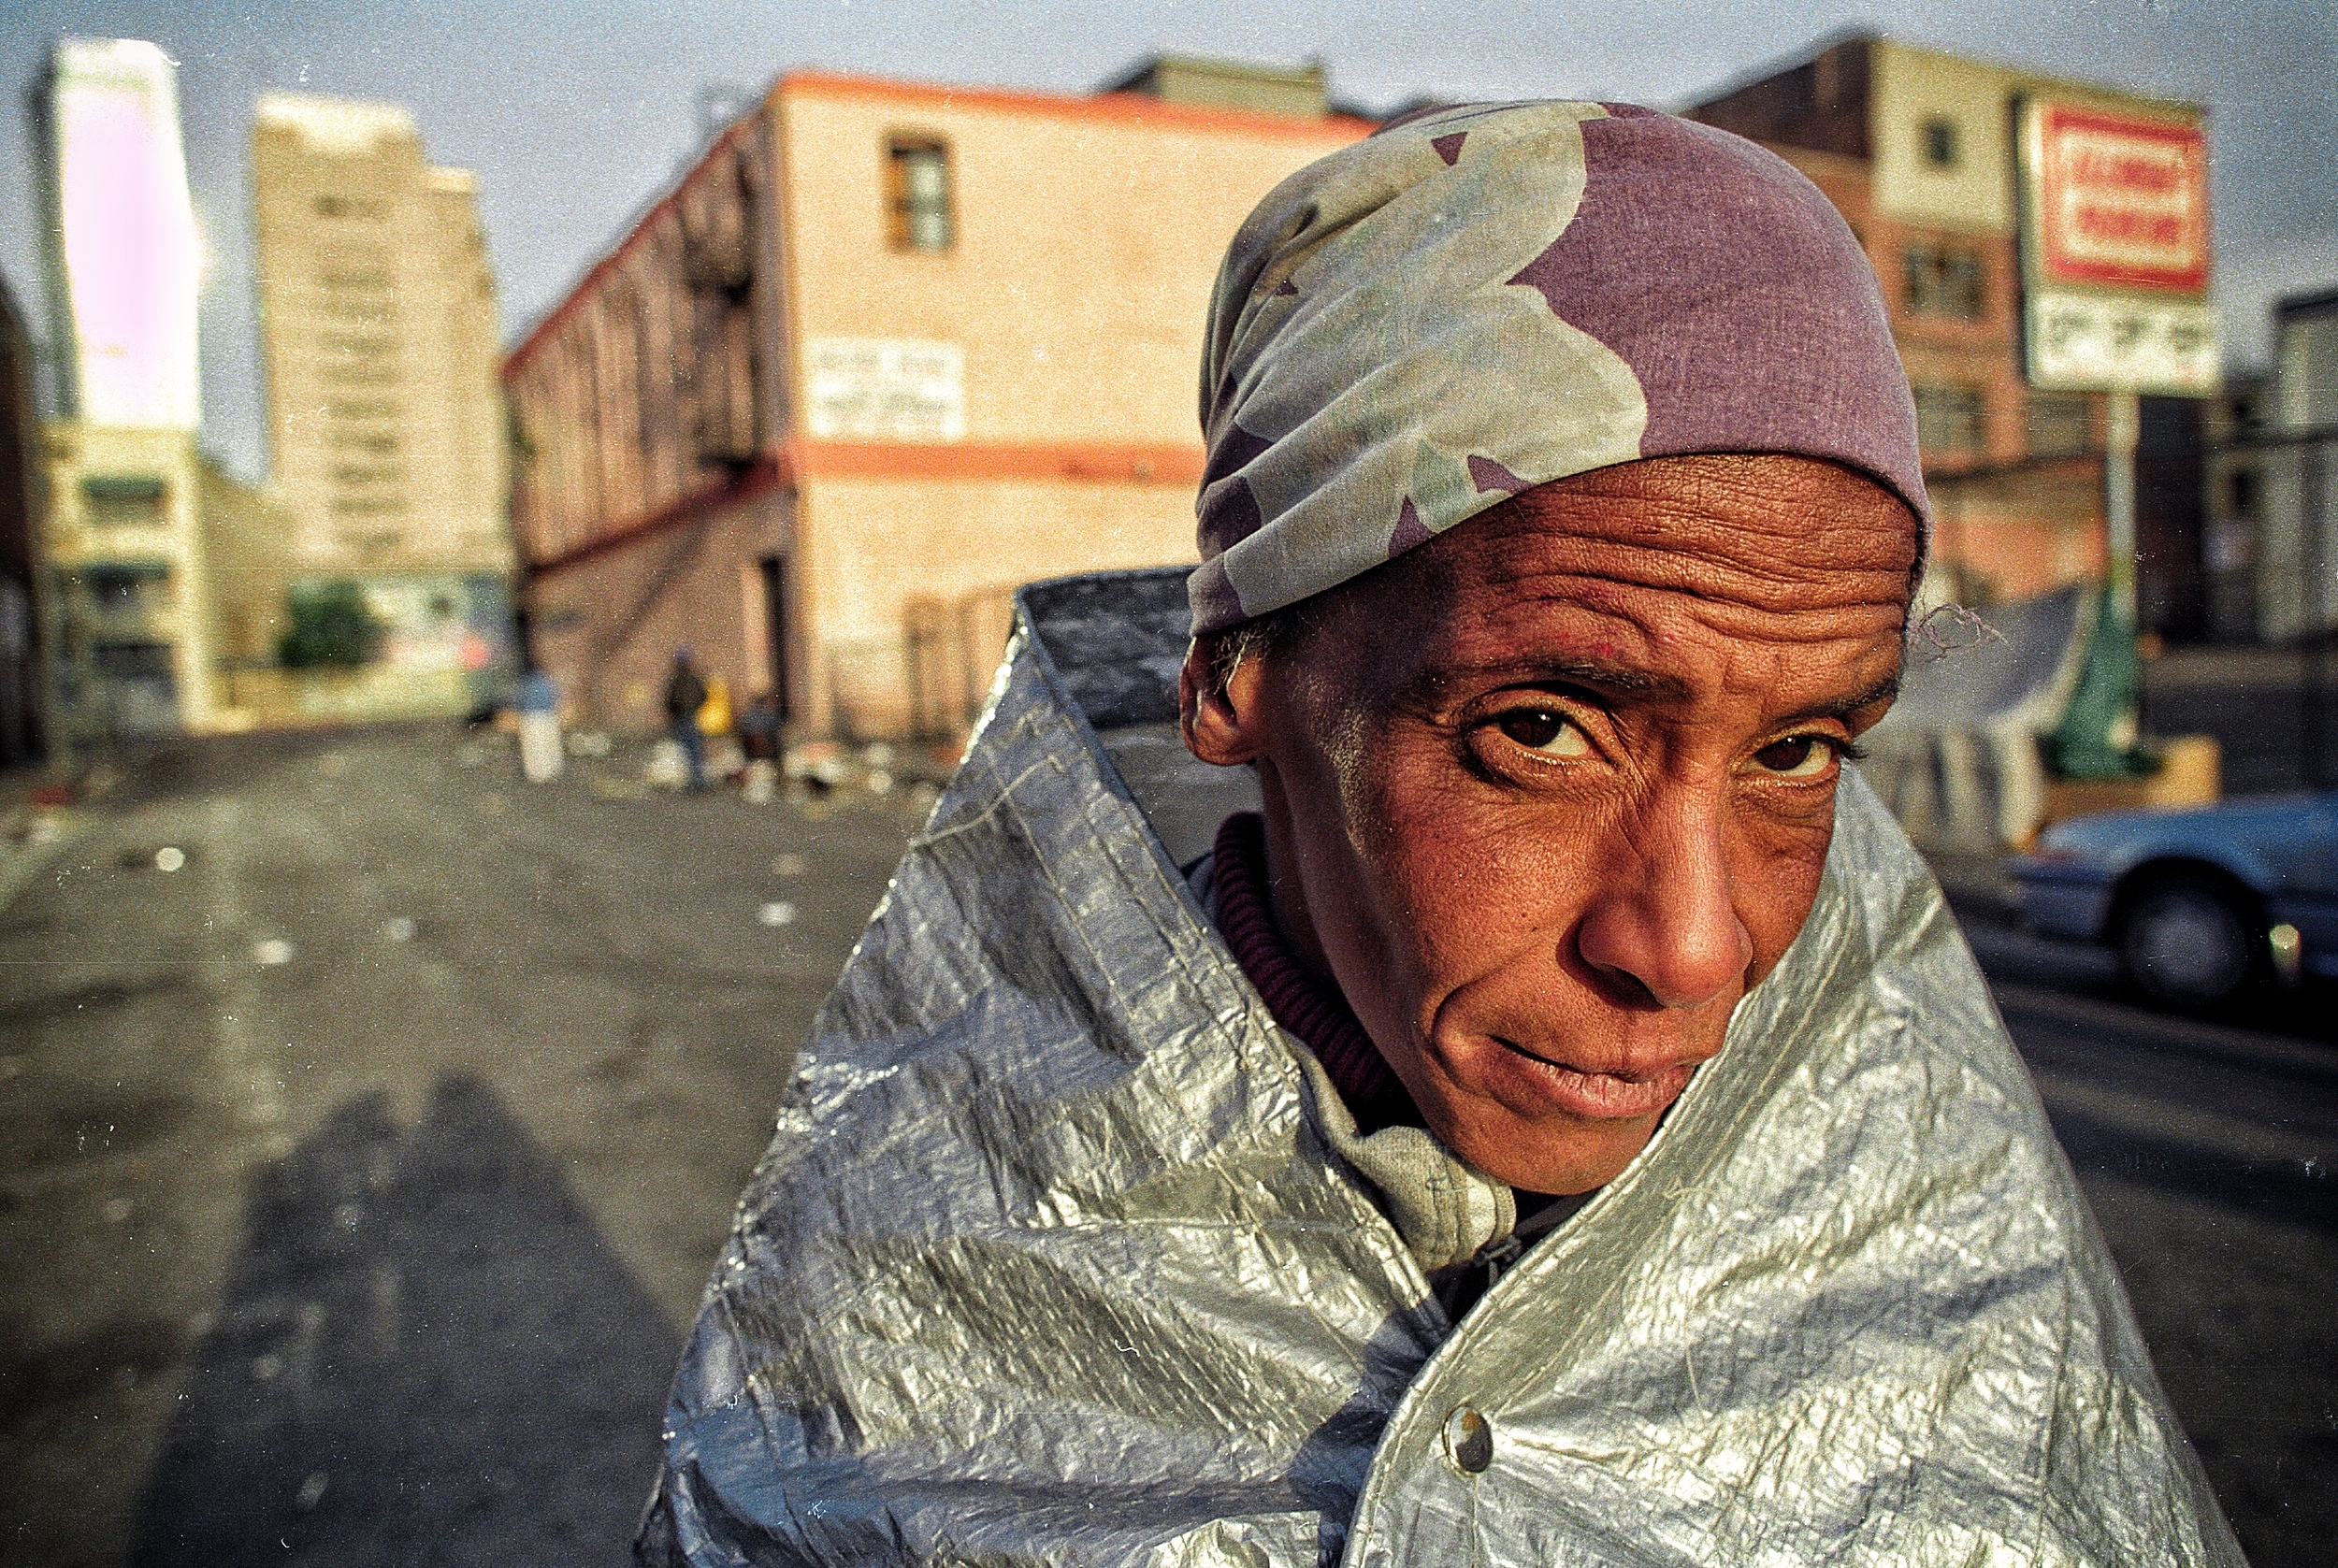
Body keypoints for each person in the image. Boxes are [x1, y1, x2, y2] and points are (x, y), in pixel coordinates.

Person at [639, 104, 2241, 1565]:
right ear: (1235, 674)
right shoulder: (912, 1296)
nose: (1694, 949)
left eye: (1800, 748)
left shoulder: (1926, 1198)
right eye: (1539, 729)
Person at [663, 647, 708, 793]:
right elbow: (703, 695)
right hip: (688, 718)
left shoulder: (678, 680)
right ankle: (696, 781)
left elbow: (670, 700)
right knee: (692, 751)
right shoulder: (690, 679)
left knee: (689, 751)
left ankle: (695, 781)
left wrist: (675, 711)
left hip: (684, 718)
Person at [513, 664, 562, 784]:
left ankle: (539, 772)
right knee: (545, 743)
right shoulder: (544, 681)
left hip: (534, 717)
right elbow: (555, 697)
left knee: (535, 745)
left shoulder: (528, 682)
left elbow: (518, 700)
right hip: (542, 716)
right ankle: (547, 771)